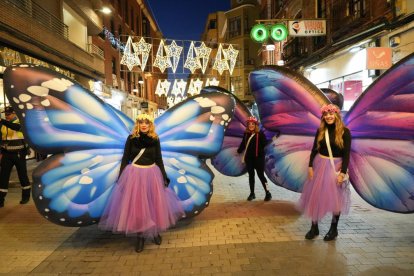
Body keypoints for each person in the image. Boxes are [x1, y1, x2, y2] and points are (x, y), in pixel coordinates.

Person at [98, 113, 185, 253]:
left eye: (146, 122)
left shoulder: (155, 139)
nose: (144, 124)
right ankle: (140, 237)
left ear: (150, 125)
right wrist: (121, 177)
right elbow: (125, 158)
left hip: (152, 174)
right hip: (135, 175)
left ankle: (155, 232)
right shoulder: (131, 139)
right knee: (138, 207)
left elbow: (159, 159)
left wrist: (164, 176)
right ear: (137, 124)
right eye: (141, 122)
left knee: (153, 205)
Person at [298, 104, 351, 241]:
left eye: (331, 114)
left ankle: (333, 229)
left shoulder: (345, 132)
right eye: (326, 114)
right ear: (323, 117)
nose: (328, 116)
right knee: (315, 197)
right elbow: (314, 149)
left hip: (336, 167)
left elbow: (347, 155)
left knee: (336, 199)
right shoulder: (320, 131)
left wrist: (342, 173)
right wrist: (310, 166)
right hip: (319, 165)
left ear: (336, 115)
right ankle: (314, 227)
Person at [0, 106, 31, 208]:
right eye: (6, 114)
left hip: (19, 154)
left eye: (8, 114)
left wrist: (3, 121)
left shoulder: (21, 122)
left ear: (14, 113)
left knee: (22, 176)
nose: (7, 116)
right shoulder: (3, 125)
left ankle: (25, 196)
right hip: (6, 154)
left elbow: (16, 128)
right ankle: (1, 199)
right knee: (3, 177)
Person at [237, 116, 272, 201]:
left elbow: (265, 144)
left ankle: (268, 193)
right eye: (249, 124)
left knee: (261, 176)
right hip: (249, 159)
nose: (251, 125)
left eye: (253, 124)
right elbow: (243, 144)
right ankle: (252, 194)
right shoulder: (246, 134)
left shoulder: (260, 134)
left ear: (256, 125)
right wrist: (239, 150)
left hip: (259, 159)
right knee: (251, 176)